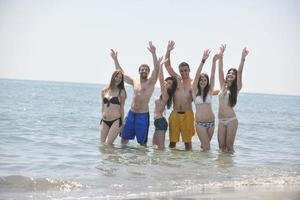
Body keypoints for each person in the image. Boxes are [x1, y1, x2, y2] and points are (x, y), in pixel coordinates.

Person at [110, 41, 160, 146]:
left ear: (148, 72)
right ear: (139, 71)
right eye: (142, 69)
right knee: (124, 139)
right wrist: (115, 59)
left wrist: (153, 53)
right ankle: (123, 161)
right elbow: (121, 74)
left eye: (146, 70)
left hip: (143, 115)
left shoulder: (151, 82)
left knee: (142, 143)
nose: (144, 71)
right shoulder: (134, 81)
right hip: (131, 114)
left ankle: (141, 161)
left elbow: (157, 69)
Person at [217, 45, 249, 152]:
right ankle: (223, 168)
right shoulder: (222, 85)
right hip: (221, 120)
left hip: (231, 120)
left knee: (229, 147)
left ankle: (230, 166)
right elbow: (220, 69)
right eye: (229, 72)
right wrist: (221, 55)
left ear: (235, 77)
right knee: (221, 147)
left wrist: (242, 58)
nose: (230, 74)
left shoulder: (237, 87)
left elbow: (240, 72)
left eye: (233, 73)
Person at [164, 40, 195, 150]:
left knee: (188, 143)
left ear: (189, 70)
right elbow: (167, 65)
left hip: (188, 115)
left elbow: (207, 89)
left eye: (185, 70)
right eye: (181, 71)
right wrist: (168, 50)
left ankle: (187, 165)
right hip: (175, 114)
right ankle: (172, 165)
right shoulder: (177, 79)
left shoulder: (193, 83)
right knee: (172, 143)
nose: (183, 73)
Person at [192, 49, 219, 151]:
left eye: (205, 80)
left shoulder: (210, 91)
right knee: (207, 146)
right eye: (201, 80)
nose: (203, 81)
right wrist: (203, 60)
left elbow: (212, 75)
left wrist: (213, 62)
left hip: (211, 122)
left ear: (207, 82)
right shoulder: (194, 92)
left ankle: (203, 165)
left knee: (205, 147)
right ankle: (204, 165)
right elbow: (196, 75)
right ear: (198, 82)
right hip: (200, 123)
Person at [153, 57, 177, 150]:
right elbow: (161, 80)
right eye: (167, 82)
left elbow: (160, 79)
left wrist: (161, 65)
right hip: (157, 122)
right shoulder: (163, 94)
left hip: (160, 122)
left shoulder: (166, 94)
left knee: (161, 148)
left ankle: (164, 163)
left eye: (169, 83)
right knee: (155, 146)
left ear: (171, 87)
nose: (166, 83)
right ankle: (157, 164)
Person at [100, 70, 126, 144]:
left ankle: (114, 155)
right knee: (103, 145)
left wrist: (122, 123)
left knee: (108, 144)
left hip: (116, 121)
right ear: (113, 77)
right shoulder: (104, 90)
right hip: (104, 121)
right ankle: (114, 155)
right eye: (116, 77)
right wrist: (102, 117)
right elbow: (103, 106)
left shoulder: (121, 92)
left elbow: (122, 108)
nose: (118, 79)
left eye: (120, 78)